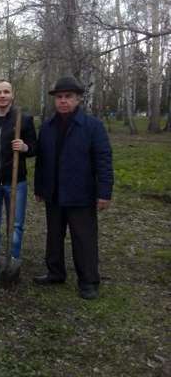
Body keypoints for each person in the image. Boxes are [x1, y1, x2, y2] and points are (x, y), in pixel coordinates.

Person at [33, 76, 113, 300]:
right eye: (59, 97)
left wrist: (104, 192)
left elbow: (104, 160)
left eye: (68, 97)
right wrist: (40, 187)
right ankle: (55, 272)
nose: (63, 101)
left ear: (78, 99)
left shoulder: (92, 126)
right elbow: (42, 160)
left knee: (83, 238)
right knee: (54, 236)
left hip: (81, 193)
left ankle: (88, 281)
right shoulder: (47, 127)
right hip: (54, 192)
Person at [0, 81, 37, 280]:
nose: (2, 96)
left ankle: (12, 262)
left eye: (6, 92)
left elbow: (35, 148)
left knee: (17, 225)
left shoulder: (24, 120)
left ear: (12, 95)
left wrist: (25, 147)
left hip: (16, 183)